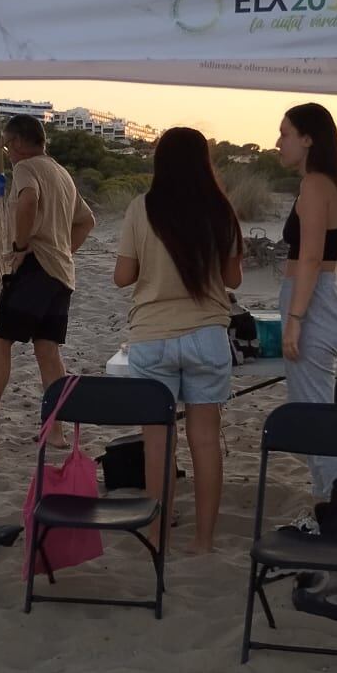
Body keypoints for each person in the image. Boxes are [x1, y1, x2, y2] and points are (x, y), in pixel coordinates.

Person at [114, 127, 242, 553]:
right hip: (207, 334)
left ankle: (157, 535)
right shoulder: (220, 211)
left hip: (151, 337)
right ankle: (204, 541)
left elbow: (123, 277)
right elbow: (232, 278)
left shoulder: (140, 208)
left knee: (158, 443)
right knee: (205, 440)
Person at [0, 115, 94, 441]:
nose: (8, 151)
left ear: (17, 142)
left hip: (36, 268)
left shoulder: (26, 168)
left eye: (7, 144)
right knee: (47, 349)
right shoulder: (61, 173)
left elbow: (28, 200)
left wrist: (21, 245)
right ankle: (55, 431)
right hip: (61, 274)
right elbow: (87, 221)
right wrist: (65, 250)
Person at [276, 102, 337, 508]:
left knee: (316, 420)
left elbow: (309, 257)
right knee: (314, 416)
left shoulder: (314, 186)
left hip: (312, 303)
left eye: (285, 133)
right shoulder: (329, 183)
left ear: (308, 139)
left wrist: (294, 319)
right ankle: (330, 507)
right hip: (322, 299)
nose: (278, 143)